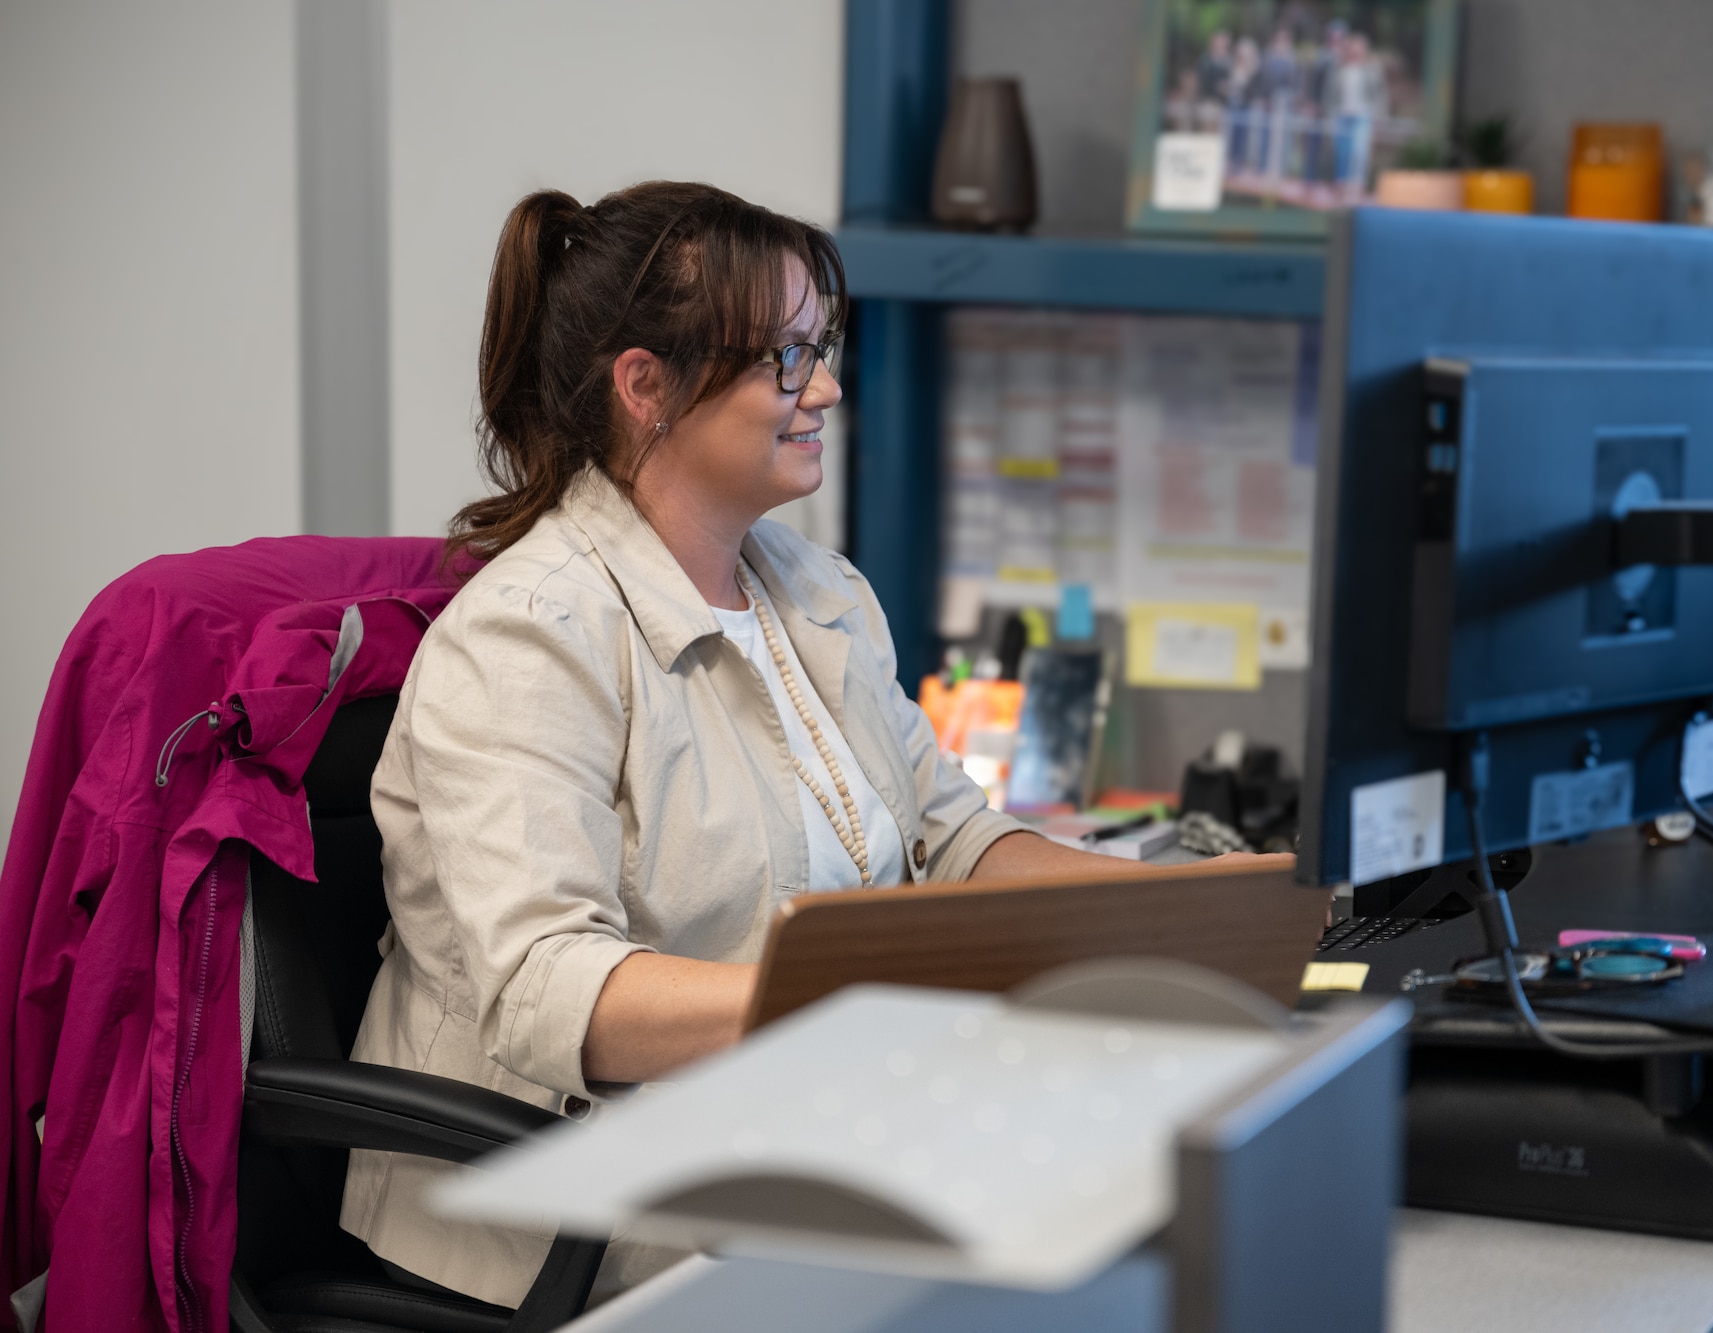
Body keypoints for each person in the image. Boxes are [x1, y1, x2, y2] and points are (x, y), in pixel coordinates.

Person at [336, 181, 1283, 1307]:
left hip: (790, 1123)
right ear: (646, 387)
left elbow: (954, 835)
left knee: (1129, 1206)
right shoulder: (528, 637)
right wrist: (863, 1002)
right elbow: (552, 991)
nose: (825, 386)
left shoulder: (812, 590)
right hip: (572, 1209)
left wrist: (1164, 921)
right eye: (784, 359)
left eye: (820, 347)